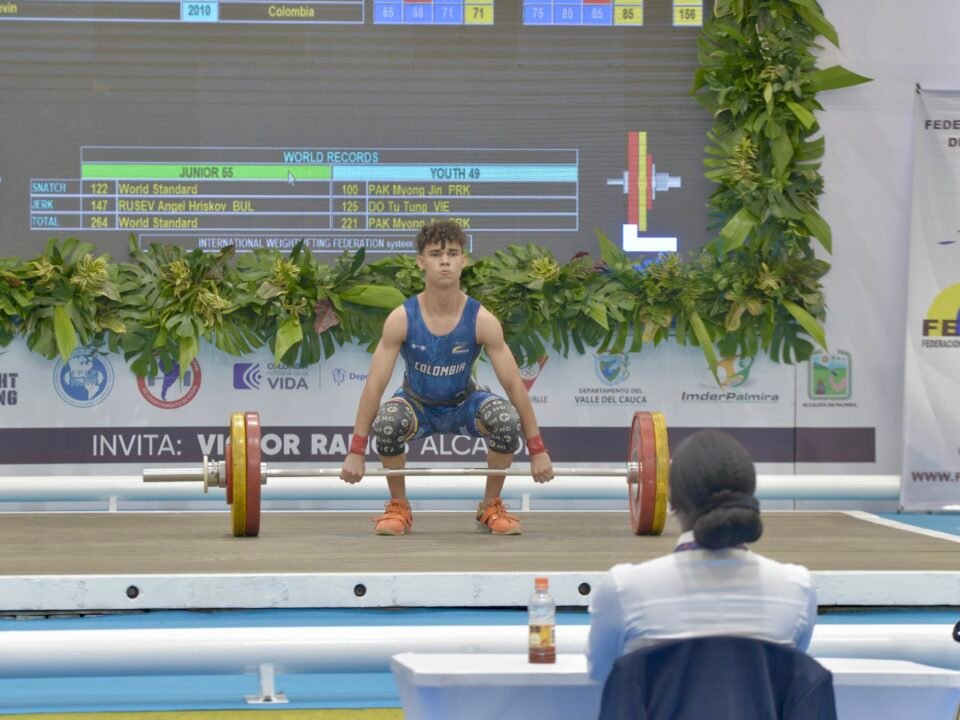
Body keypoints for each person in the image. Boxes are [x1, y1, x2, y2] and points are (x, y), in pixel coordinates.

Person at [339, 220, 554, 536]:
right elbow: (375, 384)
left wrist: (537, 448)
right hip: (417, 406)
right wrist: (356, 450)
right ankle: (399, 507)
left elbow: (512, 384)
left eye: (452, 253)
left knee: (506, 420)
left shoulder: (482, 320)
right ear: (420, 261)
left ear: (463, 261)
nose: (444, 261)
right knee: (387, 423)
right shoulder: (401, 318)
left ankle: (490, 506)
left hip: (464, 406)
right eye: (436, 254)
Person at [587, 429, 817, 683]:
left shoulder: (623, 588)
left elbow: (601, 674)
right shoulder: (799, 589)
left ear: (672, 500)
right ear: (749, 495)